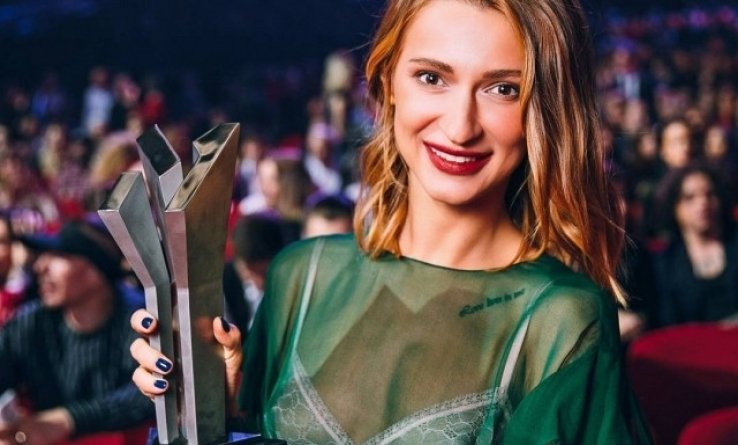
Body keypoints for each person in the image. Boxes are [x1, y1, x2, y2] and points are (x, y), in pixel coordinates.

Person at [131, 0, 652, 443]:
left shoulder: (563, 320)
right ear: (387, 84)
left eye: (503, 89)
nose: (460, 126)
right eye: (432, 78)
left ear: (545, 110)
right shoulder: (302, 277)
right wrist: (211, 414)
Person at [0, 219, 153, 445]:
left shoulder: (139, 321)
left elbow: (146, 397)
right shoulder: (32, 323)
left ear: (93, 270)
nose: (40, 266)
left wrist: (68, 419)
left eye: (56, 255)